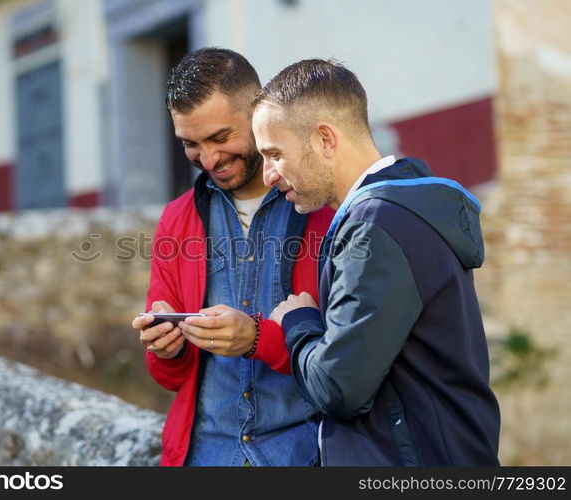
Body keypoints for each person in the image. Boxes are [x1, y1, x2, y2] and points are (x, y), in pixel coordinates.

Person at [252, 59, 500, 465]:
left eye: (275, 154)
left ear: (325, 140)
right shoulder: (398, 207)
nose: (268, 175)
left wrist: (297, 323)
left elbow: (338, 388)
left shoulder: (377, 223)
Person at [131, 48, 334, 466]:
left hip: (308, 455)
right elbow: (171, 379)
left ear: (259, 113)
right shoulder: (176, 219)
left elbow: (354, 357)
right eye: (191, 144)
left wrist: (260, 340)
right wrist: (166, 350)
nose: (208, 160)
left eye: (221, 138)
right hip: (203, 455)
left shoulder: (324, 207)